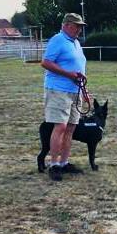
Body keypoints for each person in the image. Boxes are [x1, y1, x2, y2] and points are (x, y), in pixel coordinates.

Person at [40, 13, 89, 181]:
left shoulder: (75, 43)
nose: (79, 30)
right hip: (58, 90)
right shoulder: (57, 40)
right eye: (77, 26)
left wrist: (84, 90)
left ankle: (64, 162)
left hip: (75, 90)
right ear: (67, 25)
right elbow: (46, 62)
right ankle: (54, 164)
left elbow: (79, 68)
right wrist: (68, 74)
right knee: (60, 126)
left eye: (80, 26)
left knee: (71, 128)